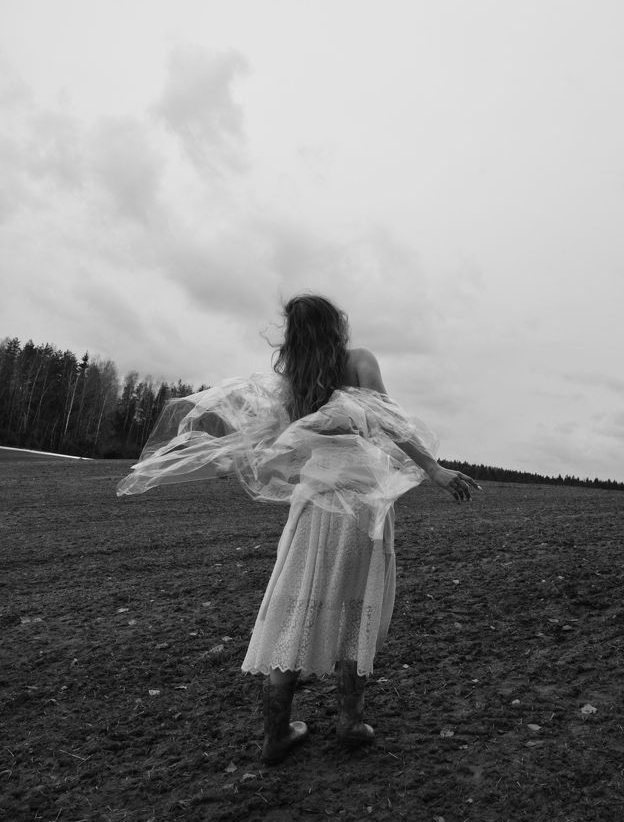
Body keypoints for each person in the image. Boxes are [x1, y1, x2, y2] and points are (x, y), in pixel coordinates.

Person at [117, 294, 479, 765]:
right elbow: (392, 422)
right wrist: (433, 469)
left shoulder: (295, 383)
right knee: (357, 606)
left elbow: (276, 442)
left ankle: (276, 735)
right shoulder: (359, 361)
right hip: (361, 504)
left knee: (294, 608)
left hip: (311, 505)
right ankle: (349, 722)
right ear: (336, 326)